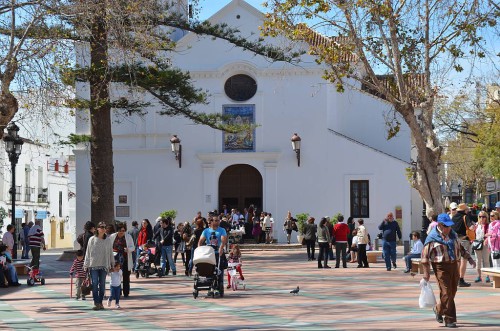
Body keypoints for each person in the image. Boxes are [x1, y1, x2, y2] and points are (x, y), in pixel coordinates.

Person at [421, 213, 476, 328]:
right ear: (440, 225)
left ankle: (438, 309)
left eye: (450, 226)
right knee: (446, 292)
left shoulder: (453, 234)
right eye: (446, 226)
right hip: (440, 267)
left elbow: (460, 247)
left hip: (454, 265)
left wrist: (469, 258)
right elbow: (425, 257)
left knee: (452, 292)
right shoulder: (432, 237)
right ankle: (450, 319)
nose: (449, 228)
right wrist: (426, 274)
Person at [84, 221, 114, 311]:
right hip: (93, 265)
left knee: (102, 285)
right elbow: (88, 252)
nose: (103, 229)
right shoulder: (92, 239)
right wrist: (86, 264)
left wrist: (112, 263)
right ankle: (96, 303)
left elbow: (110, 253)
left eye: (104, 227)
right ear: (97, 228)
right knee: (95, 284)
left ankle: (100, 302)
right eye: (101, 227)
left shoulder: (108, 240)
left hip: (104, 265)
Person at [198, 214, 228, 290]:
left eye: (218, 220)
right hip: (209, 254)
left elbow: (223, 240)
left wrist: (221, 247)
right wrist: (199, 249)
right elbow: (200, 241)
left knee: (219, 269)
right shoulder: (206, 231)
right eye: (216, 220)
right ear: (211, 221)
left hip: (218, 253)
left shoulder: (222, 230)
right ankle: (210, 285)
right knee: (209, 269)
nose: (218, 222)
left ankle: (219, 286)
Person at [451, 203, 474, 287]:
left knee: (457, 261)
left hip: (454, 241)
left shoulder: (453, 217)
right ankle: (461, 279)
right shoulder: (465, 217)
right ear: (465, 210)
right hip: (464, 240)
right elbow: (471, 227)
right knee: (464, 259)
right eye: (467, 210)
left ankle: (455, 278)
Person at [109, 223, 134, 297]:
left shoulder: (128, 236)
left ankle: (126, 292)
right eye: (120, 230)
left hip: (125, 259)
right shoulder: (112, 236)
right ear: (117, 230)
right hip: (115, 260)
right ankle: (117, 292)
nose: (122, 232)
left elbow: (133, 247)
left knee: (126, 276)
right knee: (116, 276)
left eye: (123, 230)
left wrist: (128, 249)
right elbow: (108, 247)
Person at [473, 210, 490, 283]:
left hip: (485, 244)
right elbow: (473, 234)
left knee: (486, 261)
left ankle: (487, 276)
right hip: (477, 244)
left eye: (483, 216)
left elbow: (489, 234)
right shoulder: (476, 225)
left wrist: (486, 239)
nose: (482, 218)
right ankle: (479, 276)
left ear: (486, 217)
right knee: (478, 260)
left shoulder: (488, 225)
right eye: (480, 216)